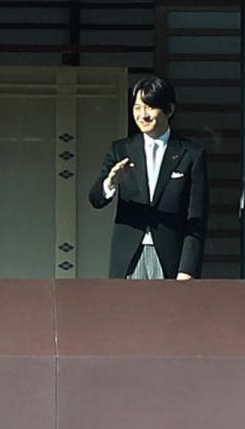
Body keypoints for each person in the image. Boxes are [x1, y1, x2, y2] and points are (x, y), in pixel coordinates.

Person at [87, 75, 206, 281]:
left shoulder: (190, 154)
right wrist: (111, 183)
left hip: (171, 257)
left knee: (168, 313)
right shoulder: (121, 149)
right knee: (128, 312)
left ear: (169, 110)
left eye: (149, 107)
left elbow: (197, 215)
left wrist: (187, 268)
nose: (142, 115)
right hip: (128, 256)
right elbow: (96, 199)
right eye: (137, 108)